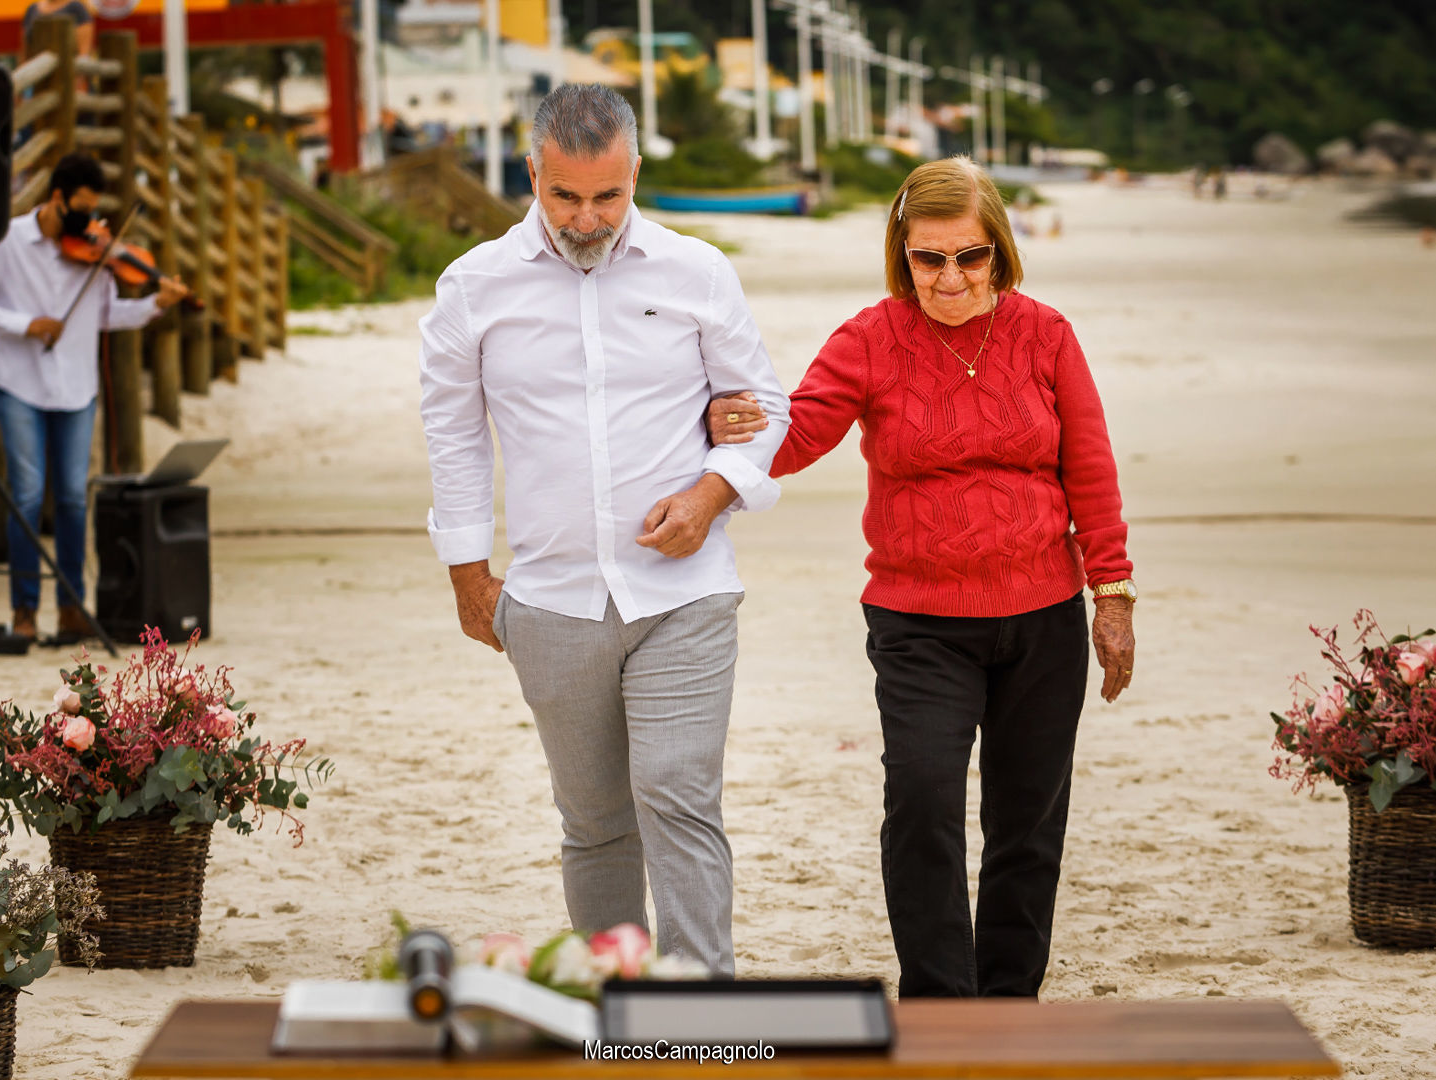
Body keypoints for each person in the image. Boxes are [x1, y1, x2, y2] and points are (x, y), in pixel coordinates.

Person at [708, 156, 1136, 998]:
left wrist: (1111, 595)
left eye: (968, 256)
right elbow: (795, 436)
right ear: (901, 255)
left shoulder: (1044, 333)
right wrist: (727, 419)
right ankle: (941, 1006)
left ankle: (1008, 1003)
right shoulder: (869, 338)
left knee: (1027, 824)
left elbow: (1089, 467)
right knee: (923, 801)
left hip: (1043, 614)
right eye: (927, 258)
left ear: (999, 252)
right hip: (919, 623)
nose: (948, 276)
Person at [417, 84, 789, 976]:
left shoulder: (696, 271)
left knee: (678, 796)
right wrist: (468, 573)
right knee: (591, 822)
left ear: (633, 175)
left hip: (683, 596)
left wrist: (711, 493)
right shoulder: (473, 286)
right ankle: (615, 1012)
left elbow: (765, 407)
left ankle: (700, 1015)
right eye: (565, 195)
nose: (588, 218)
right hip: (547, 600)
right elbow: (455, 436)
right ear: (532, 171)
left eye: (608, 196)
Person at [0, 153, 188, 642]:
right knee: (23, 495)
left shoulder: (96, 255)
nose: (88, 223)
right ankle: (24, 610)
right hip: (20, 382)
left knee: (70, 499)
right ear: (56, 197)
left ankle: (70, 607)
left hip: (77, 387)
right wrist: (24, 324)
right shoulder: (6, 240)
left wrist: (153, 306)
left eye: (93, 211)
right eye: (79, 211)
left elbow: (104, 317)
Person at [21, 0, 93, 57]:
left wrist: (80, 75)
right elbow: (25, 50)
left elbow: (84, 51)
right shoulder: (32, 9)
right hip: (35, 70)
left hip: (67, 70)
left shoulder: (76, 8)